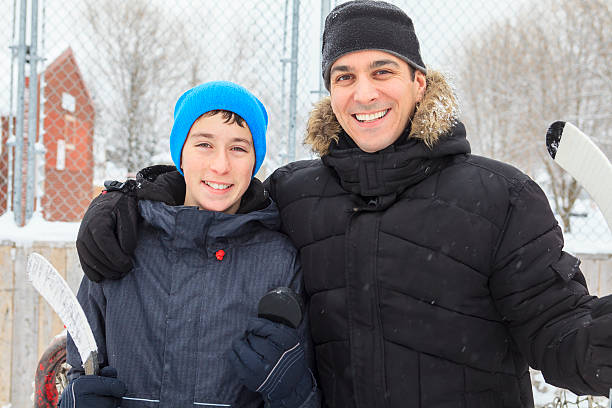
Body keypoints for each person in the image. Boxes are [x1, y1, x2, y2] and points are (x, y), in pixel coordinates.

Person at [75, 2, 612, 407]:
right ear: (330, 93)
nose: (364, 93)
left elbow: (555, 327)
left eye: (383, 71)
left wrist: (597, 347)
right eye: (344, 76)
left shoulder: (502, 196)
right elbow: (217, 192)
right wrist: (129, 201)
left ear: (419, 83)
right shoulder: (296, 193)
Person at [60, 81, 319, 408]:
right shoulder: (122, 238)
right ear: (180, 151)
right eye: (204, 145)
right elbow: (80, 365)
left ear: (256, 160)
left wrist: (291, 392)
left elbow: (303, 391)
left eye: (239, 148)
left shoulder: (278, 262)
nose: (221, 165)